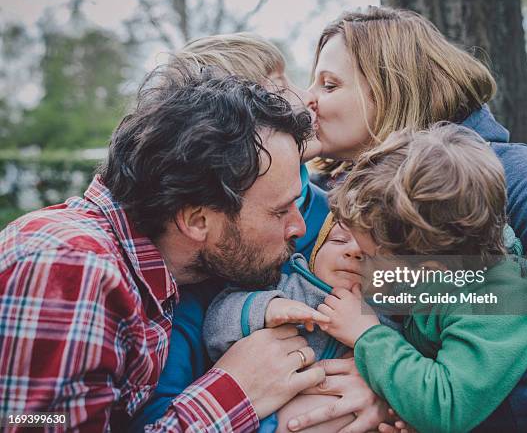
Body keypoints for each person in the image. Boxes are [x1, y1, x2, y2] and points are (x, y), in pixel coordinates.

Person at [285, 6, 527, 432]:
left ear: (389, 88)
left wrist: (410, 400)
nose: (306, 99)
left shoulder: (504, 174)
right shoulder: (334, 192)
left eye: (329, 84)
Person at [0, 60, 326, 431]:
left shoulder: (162, 272)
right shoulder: (70, 266)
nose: (297, 226)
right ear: (197, 220)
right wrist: (234, 394)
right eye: (280, 212)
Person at [132, 33, 393, 433]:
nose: (306, 98)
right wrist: (272, 419)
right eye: (277, 89)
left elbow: (494, 293)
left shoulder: (344, 217)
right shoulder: (188, 272)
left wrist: (389, 379)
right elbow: (153, 416)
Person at [322, 123, 527, 433]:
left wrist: (368, 336)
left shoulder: (492, 305)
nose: (361, 260)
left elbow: (445, 406)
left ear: (429, 269)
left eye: (371, 256)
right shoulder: (449, 276)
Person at [203, 213, 402, 432]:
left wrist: (369, 336)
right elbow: (214, 329)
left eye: (375, 250)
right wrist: (267, 308)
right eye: (339, 240)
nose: (354, 251)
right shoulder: (283, 289)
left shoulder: (392, 326)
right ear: (315, 253)